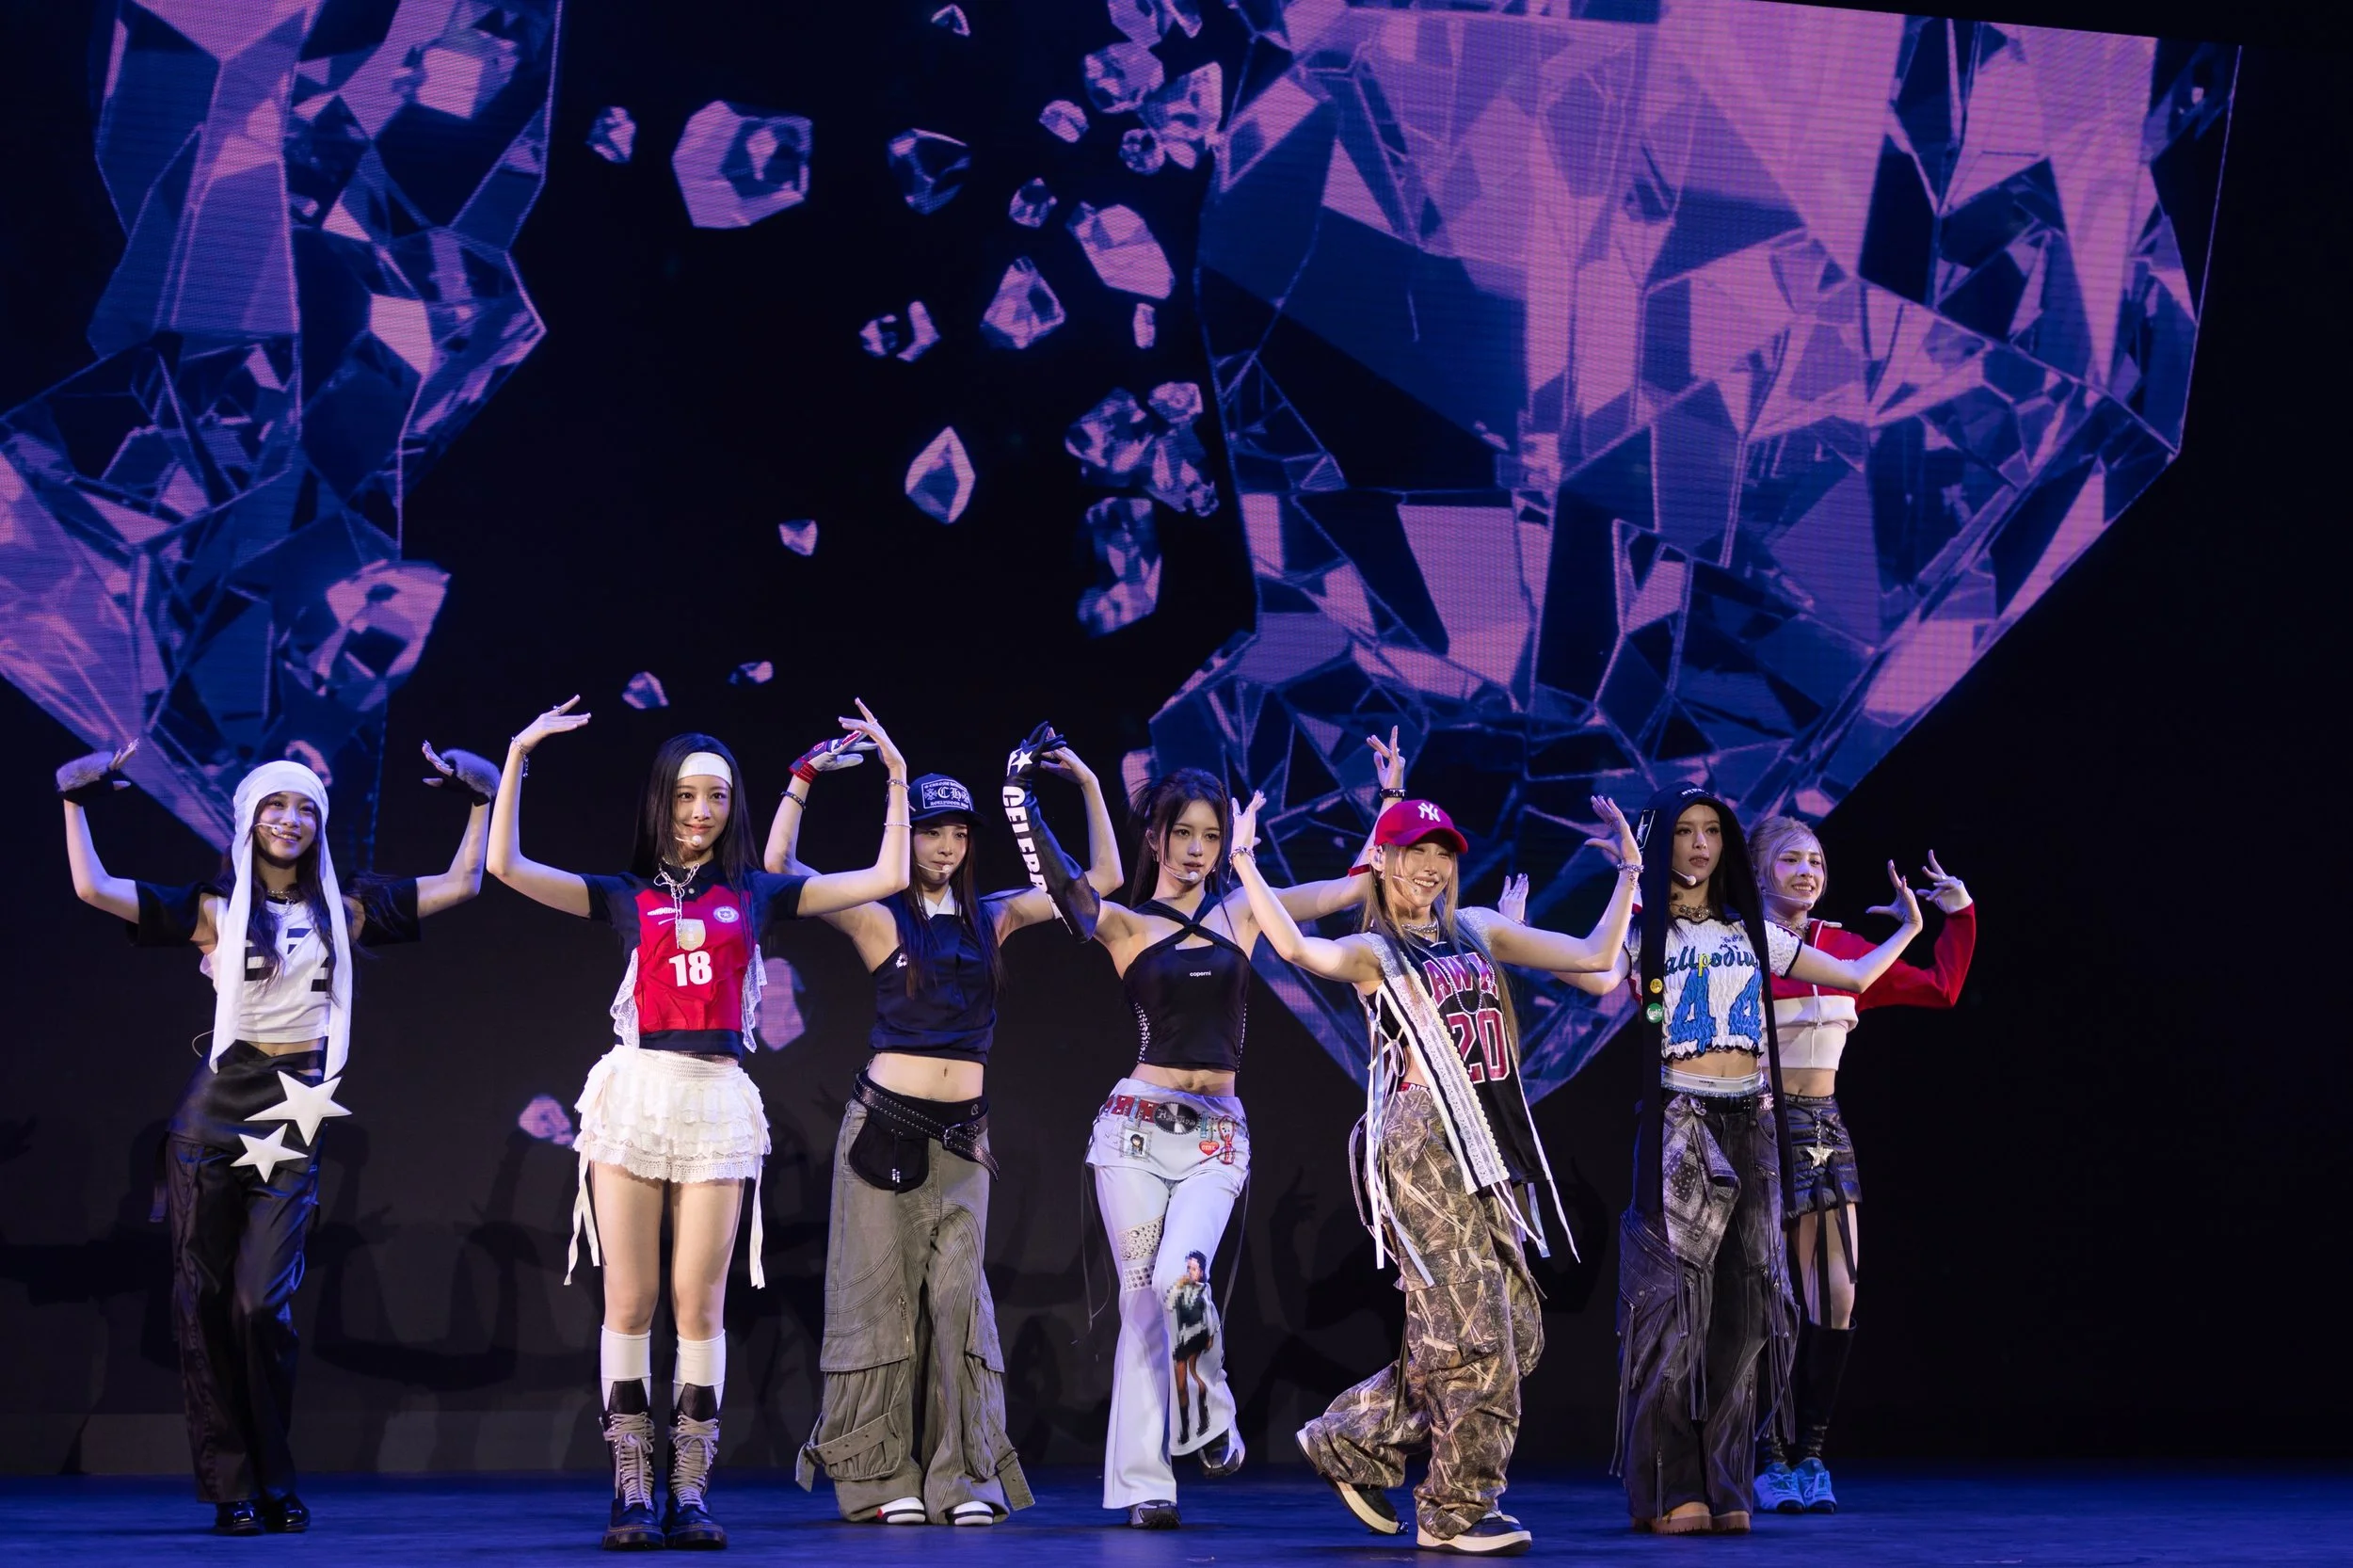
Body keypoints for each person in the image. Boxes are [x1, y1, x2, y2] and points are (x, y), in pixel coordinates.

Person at [488, 696, 910, 1550]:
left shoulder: (754, 892)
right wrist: (518, 754)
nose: (699, 812)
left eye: (715, 797)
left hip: (717, 1099)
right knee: (632, 1297)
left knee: (698, 1303)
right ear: (662, 803)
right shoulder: (625, 894)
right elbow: (506, 867)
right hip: (637, 1095)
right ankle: (631, 1483)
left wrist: (897, 779)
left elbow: (886, 878)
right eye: (685, 797)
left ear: (732, 805)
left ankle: (690, 1484)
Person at [60, 737, 496, 1535]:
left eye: (304, 807)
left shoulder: (346, 909)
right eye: (274, 804)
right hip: (213, 1114)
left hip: (294, 1112)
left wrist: (481, 799)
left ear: (320, 823)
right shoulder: (213, 911)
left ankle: (274, 1475)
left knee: (263, 1306)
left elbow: (464, 882)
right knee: (204, 1302)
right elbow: (92, 887)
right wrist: (74, 800)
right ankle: (233, 1488)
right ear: (248, 819)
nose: (289, 819)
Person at [1230, 790, 1641, 1557]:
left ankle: (1353, 1436)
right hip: (1423, 1144)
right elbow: (1301, 952)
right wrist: (1247, 866)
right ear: (1380, 860)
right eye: (1413, 850)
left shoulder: (1478, 929)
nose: (1429, 865)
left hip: (1490, 1143)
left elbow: (1594, 961)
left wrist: (1628, 871)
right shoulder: (1375, 953)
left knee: (1513, 1329)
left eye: (1441, 852)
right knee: (1475, 1331)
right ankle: (1454, 1510)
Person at [772, 727, 1121, 1527]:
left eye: (959, 832)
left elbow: (1098, 881)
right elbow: (781, 873)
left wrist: (1090, 787)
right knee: (879, 1303)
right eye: (932, 830)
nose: (947, 845)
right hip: (884, 1129)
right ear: (910, 833)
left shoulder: (991, 917)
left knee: (959, 1305)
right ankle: (877, 1478)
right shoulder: (878, 918)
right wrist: (802, 778)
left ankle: (960, 1478)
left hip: (965, 1136)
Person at [1555, 783, 1923, 1536]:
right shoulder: (1646, 930)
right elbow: (1592, 972)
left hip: (1751, 1126)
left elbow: (1849, 977)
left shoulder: (1749, 928)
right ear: (1664, 845)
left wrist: (1912, 930)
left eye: (1712, 833)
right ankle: (1667, 1487)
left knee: (1750, 1316)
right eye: (1685, 832)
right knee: (1674, 1318)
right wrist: (1627, 879)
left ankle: (1726, 1480)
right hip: (1680, 1125)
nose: (1699, 845)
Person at [1081, 734, 1402, 1529]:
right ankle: (1142, 1485)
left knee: (1176, 1281)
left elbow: (1348, 889)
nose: (1197, 850)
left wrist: (1390, 801)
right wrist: (1062, 789)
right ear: (1154, 837)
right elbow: (1058, 888)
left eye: (1212, 837)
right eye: (1183, 833)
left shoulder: (1240, 909)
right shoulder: (1124, 923)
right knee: (1141, 1305)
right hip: (1132, 1131)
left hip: (1216, 1136)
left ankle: (1210, 1416)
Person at [1742, 820, 1976, 1515]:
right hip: (1755, 1126)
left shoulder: (1844, 948)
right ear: (1758, 870)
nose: (1806, 870)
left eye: (1815, 859)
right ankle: (1768, 1454)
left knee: (1836, 1296)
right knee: (1771, 1295)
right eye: (1788, 859)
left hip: (1823, 1127)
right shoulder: (1738, 946)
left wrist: (1957, 913)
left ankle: (1811, 1452)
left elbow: (1941, 988)